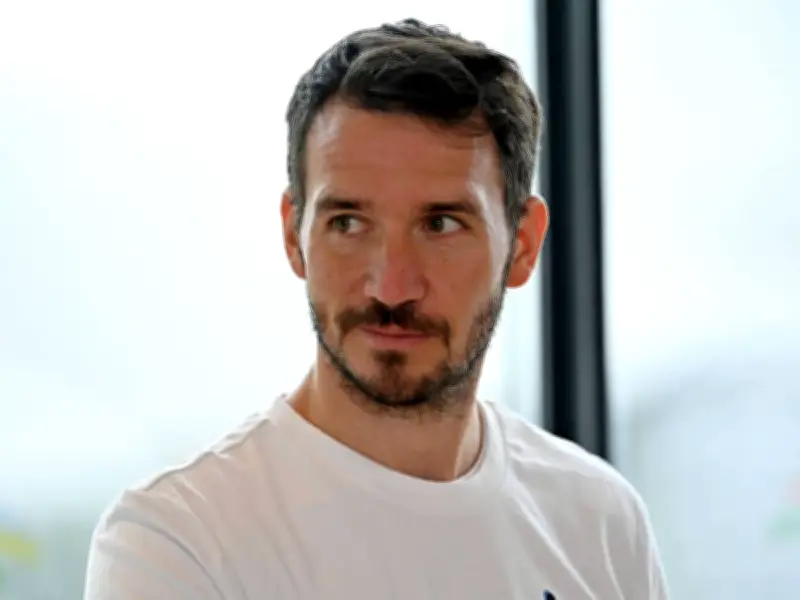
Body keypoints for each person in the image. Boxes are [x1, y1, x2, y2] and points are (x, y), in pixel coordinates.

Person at [84, 18, 669, 600]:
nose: (391, 287)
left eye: (440, 224)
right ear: (294, 236)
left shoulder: (600, 522)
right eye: (348, 223)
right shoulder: (179, 543)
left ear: (523, 245)